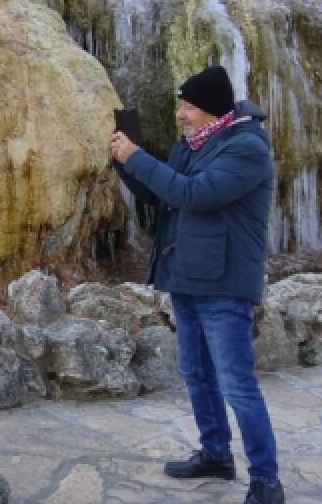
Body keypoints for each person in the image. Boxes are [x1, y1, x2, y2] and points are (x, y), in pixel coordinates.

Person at [109, 65, 284, 504]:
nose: (181, 113)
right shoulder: (193, 144)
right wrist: (124, 160)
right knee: (196, 373)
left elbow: (195, 195)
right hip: (187, 275)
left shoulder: (246, 148)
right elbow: (161, 194)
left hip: (224, 284)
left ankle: (266, 481)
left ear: (211, 110)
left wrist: (137, 157)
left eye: (188, 106)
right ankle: (215, 454)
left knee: (237, 383)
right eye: (181, 104)